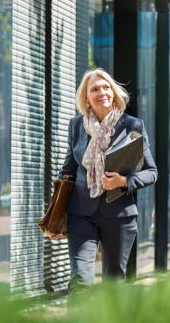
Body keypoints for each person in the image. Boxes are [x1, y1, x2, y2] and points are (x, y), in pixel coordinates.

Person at [49, 68, 157, 292]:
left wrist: (123, 182)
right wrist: (55, 214)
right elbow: (68, 170)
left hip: (119, 216)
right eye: (94, 89)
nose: (102, 92)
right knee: (80, 280)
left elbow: (152, 172)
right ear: (86, 98)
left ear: (114, 92)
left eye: (106, 87)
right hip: (81, 213)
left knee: (113, 285)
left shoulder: (132, 126)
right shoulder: (77, 126)